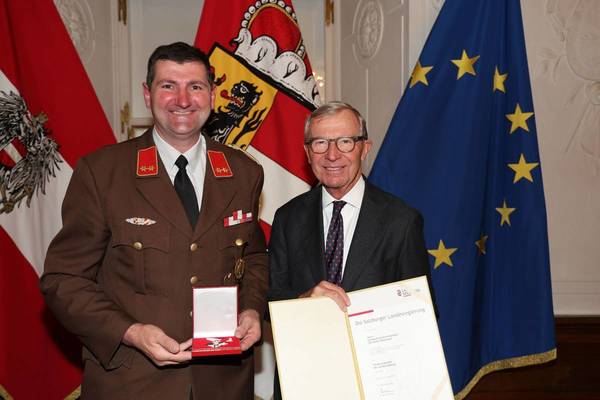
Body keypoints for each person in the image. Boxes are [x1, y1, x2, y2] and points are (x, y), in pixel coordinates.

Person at [41, 42, 268, 399]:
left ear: (212, 95)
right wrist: (130, 332)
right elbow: (63, 279)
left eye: (195, 86)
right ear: (147, 95)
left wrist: (252, 309)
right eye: (168, 86)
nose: (183, 100)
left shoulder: (244, 172)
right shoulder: (102, 172)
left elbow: (253, 258)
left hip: (223, 383)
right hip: (132, 382)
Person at [268, 101, 434, 398]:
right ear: (307, 152)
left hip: (376, 383)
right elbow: (270, 299)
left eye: (345, 142)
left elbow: (420, 311)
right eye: (320, 143)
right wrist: (305, 300)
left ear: (364, 148)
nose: (332, 155)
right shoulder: (287, 217)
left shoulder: (402, 220)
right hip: (304, 378)